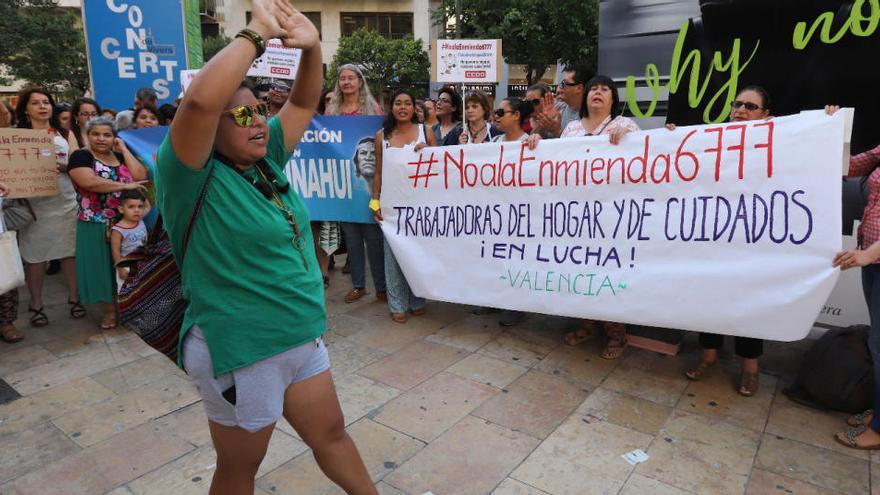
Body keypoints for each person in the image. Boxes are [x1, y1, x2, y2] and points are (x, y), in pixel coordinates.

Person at [156, 2, 376, 493]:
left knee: (333, 437)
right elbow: (197, 105)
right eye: (240, 114)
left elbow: (300, 104)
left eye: (258, 109)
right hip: (242, 349)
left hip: (300, 337)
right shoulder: (189, 173)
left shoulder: (264, 159)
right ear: (212, 128)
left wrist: (313, 46)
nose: (257, 120)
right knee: (239, 470)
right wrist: (255, 33)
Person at [681, 85, 771, 395]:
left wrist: (827, 123)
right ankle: (708, 357)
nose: (741, 110)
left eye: (751, 106)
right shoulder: (710, 140)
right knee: (711, 296)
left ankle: (750, 369)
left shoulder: (778, 144)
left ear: (765, 115)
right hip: (714, 236)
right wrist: (669, 140)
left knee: (749, 300)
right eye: (737, 104)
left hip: (752, 238)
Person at [559, 74, 641, 359]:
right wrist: (536, 140)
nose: (598, 92)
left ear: (613, 99)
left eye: (605, 89)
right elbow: (552, 162)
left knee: (607, 276)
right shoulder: (570, 128)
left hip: (608, 217)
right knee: (580, 272)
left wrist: (630, 141)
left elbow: (643, 159)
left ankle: (617, 334)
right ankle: (588, 323)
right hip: (575, 216)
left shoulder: (625, 126)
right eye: (594, 88)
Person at [68, 116, 148, 329]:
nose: (101, 139)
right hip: (95, 222)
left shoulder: (119, 155)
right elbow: (89, 182)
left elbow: (140, 175)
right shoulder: (80, 156)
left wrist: (123, 148)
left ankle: (130, 307)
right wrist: (124, 186)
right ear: (88, 135)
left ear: (114, 137)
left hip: (126, 222)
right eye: (96, 134)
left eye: (107, 134)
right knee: (102, 268)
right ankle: (110, 312)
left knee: (129, 266)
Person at [14, 87, 81, 327]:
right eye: (35, 103)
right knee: (35, 257)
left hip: (64, 201)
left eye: (46, 102)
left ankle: (74, 299)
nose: (42, 106)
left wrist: (61, 166)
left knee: (69, 252)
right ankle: (36, 304)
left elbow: (76, 165)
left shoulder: (64, 132)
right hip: (33, 206)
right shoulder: (16, 137)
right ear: (25, 108)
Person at [832, 113, 880, 448]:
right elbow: (845, 166)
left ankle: (878, 429)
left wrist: (867, 254)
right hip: (873, 261)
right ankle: (878, 412)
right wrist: (832, 129)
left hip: (873, 257)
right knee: (878, 342)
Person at [371, 90, 437, 322]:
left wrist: (429, 152)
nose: (402, 107)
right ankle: (397, 304)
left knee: (418, 254)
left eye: (407, 103)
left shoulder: (426, 133)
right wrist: (375, 201)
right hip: (392, 206)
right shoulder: (381, 136)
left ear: (414, 108)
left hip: (420, 206)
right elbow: (378, 172)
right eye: (398, 103)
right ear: (392, 108)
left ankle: (417, 299)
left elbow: (439, 166)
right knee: (393, 257)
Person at [326, 63, 386, 303]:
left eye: (351, 78)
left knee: (373, 237)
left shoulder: (373, 109)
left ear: (360, 81)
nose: (347, 82)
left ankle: (381, 287)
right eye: (342, 78)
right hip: (344, 183)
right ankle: (359, 285)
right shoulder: (332, 111)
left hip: (368, 184)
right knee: (351, 238)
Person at [534, 65, 590, 138]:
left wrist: (557, 131)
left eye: (564, 84)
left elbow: (582, 146)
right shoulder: (557, 109)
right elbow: (535, 137)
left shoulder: (593, 115)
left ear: (579, 88)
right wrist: (544, 123)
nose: (559, 89)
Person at [110, 189, 149, 291]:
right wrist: (120, 268)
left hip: (142, 263)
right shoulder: (118, 229)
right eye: (131, 207)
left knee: (142, 291)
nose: (136, 210)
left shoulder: (139, 220)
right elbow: (115, 251)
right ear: (121, 209)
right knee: (126, 292)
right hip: (126, 266)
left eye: (140, 206)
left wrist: (140, 192)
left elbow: (148, 206)